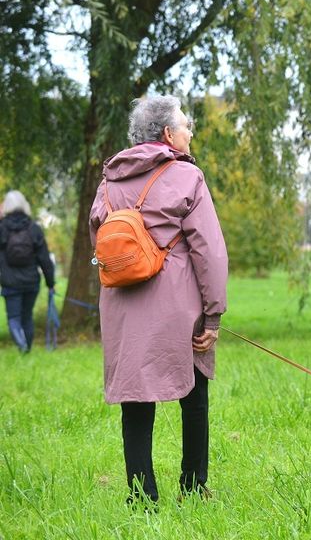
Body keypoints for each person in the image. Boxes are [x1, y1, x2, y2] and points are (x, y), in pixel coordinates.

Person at [89, 96, 228, 503]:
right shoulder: (187, 176)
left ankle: (141, 495)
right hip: (179, 309)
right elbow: (209, 251)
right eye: (186, 126)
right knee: (194, 395)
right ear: (168, 134)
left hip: (122, 305)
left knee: (134, 401)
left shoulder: (109, 181)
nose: (190, 132)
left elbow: (100, 243)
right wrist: (213, 315)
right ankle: (193, 487)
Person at [1, 190, 56, 353]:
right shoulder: (34, 229)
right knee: (27, 317)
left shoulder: (2, 228)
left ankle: (22, 346)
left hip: (9, 282)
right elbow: (44, 259)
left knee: (13, 318)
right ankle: (27, 349)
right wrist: (50, 283)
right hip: (31, 282)